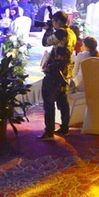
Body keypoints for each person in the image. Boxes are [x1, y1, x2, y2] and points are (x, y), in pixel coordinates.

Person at [37, 11, 77, 141]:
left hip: (54, 72)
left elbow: (45, 42)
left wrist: (48, 30)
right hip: (65, 72)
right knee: (63, 101)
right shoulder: (71, 33)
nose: (53, 24)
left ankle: (49, 131)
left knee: (49, 102)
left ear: (58, 21)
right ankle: (64, 127)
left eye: (54, 21)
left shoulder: (61, 32)